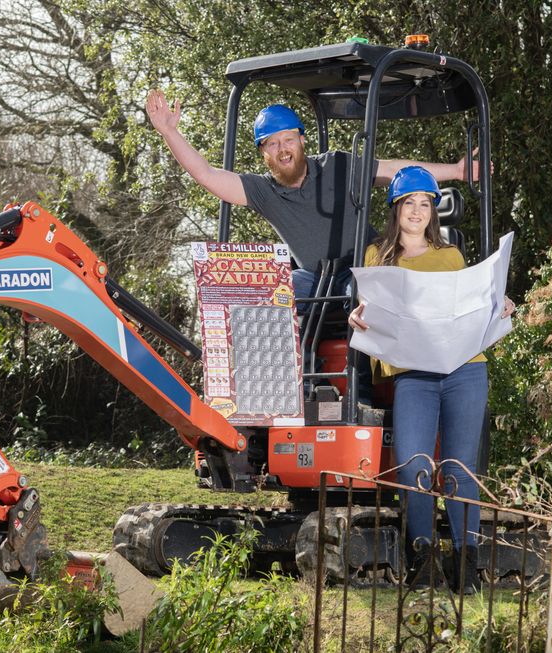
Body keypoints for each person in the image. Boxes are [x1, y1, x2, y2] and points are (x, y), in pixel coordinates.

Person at [144, 90, 484, 311]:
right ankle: (290, 386)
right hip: (314, 279)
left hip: (363, 268)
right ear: (263, 152)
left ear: (301, 140)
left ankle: (362, 386)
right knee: (276, 292)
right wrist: (170, 133)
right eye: (272, 144)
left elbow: (397, 170)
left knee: (362, 294)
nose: (282, 149)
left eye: (288, 139)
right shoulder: (264, 191)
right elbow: (207, 175)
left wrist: (455, 170)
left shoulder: (337, 165)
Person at [347, 166, 515, 594]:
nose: (418, 211)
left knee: (461, 469)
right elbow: (371, 312)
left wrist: (499, 306)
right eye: (409, 203)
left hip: (465, 369)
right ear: (396, 209)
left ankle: (466, 566)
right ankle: (422, 559)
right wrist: (356, 317)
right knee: (416, 466)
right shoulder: (376, 257)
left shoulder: (452, 256)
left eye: (425, 204)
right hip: (415, 376)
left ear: (432, 212)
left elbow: (470, 307)